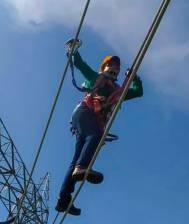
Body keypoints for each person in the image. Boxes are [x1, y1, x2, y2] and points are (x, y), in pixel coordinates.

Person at [55, 39, 143, 216]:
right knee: (94, 136)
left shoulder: (117, 91)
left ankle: (63, 200)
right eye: (110, 65)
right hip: (84, 113)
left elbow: (137, 92)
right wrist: (74, 50)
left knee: (76, 159)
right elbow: (80, 65)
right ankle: (81, 168)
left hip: (90, 121)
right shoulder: (97, 79)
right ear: (103, 68)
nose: (114, 68)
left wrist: (134, 77)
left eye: (116, 67)